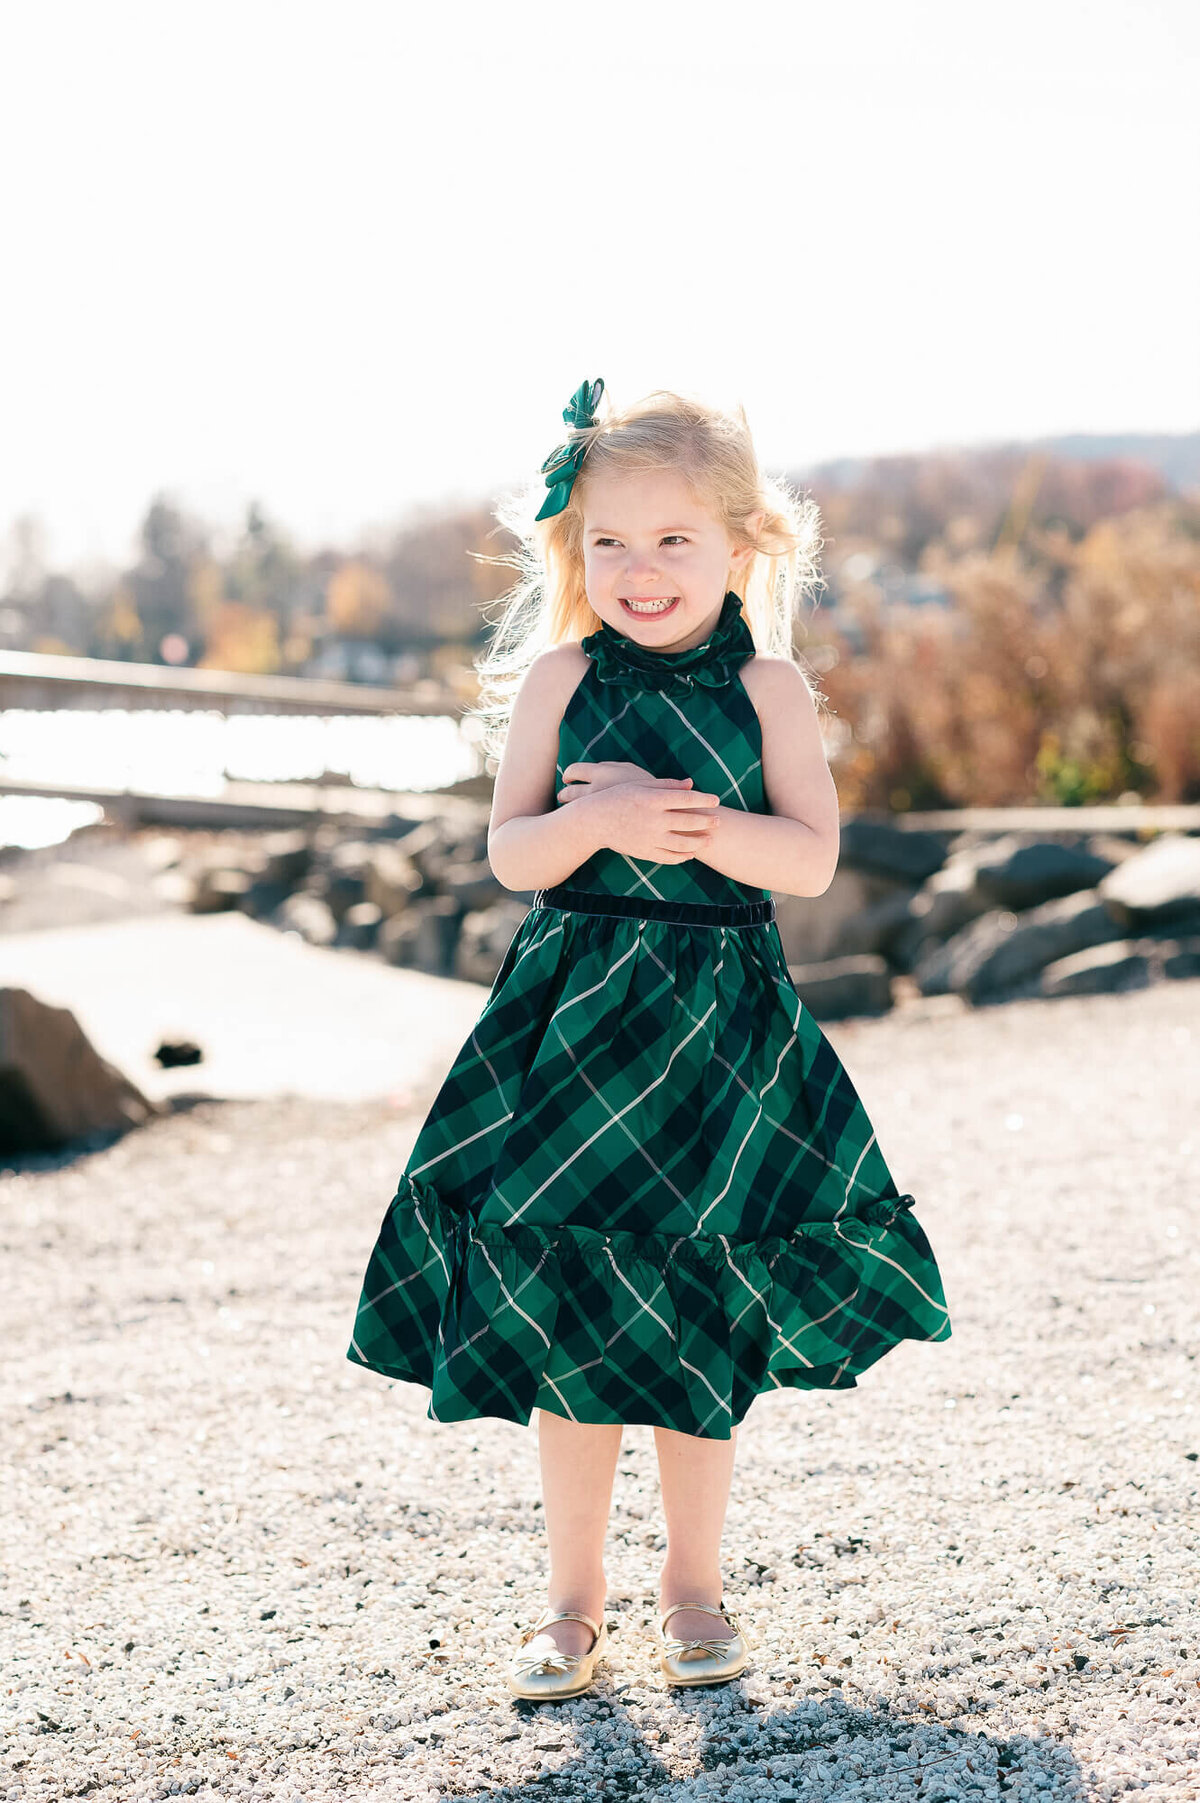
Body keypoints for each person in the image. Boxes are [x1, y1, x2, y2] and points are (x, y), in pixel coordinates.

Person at [346, 376, 952, 1700]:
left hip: (716, 1038)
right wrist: (599, 822)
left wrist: (666, 813)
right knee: (570, 1312)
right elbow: (513, 851)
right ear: (575, 550)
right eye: (609, 542)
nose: (639, 568)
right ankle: (571, 1603)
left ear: (742, 543)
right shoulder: (557, 679)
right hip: (572, 1033)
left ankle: (693, 1588)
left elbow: (806, 858)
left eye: (674, 540)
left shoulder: (770, 686)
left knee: (690, 1309)